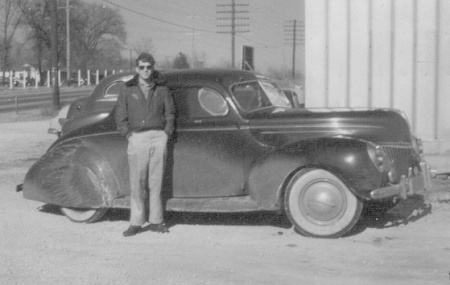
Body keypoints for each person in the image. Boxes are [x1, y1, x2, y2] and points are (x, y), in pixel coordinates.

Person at [115, 53, 175, 237]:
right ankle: (136, 222)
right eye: (142, 67)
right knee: (137, 182)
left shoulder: (162, 88)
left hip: (158, 137)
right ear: (136, 69)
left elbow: (170, 113)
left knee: (156, 182)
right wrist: (128, 135)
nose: (146, 70)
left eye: (149, 67)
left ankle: (157, 221)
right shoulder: (128, 89)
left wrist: (166, 133)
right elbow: (120, 115)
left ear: (153, 67)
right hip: (137, 138)